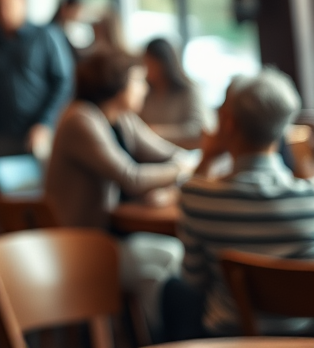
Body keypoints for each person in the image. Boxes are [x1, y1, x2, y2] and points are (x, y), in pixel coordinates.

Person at [162, 69, 314, 340]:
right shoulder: (309, 199)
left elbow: (194, 280)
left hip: (229, 337)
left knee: (173, 289)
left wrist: (207, 157)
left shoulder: (198, 196)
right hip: (301, 337)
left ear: (228, 123)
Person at [46, 48, 192, 328]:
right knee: (167, 255)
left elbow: (168, 154)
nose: (145, 88)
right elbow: (131, 177)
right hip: (80, 247)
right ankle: (154, 337)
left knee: (171, 253)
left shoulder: (121, 117)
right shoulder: (80, 119)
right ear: (116, 84)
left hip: (107, 235)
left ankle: (146, 332)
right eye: (138, 80)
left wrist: (181, 166)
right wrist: (181, 170)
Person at [0, 0, 74, 159]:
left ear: (23, 2)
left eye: (8, 5)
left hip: (42, 133)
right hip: (3, 136)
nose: (3, 12)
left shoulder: (46, 37)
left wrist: (45, 123)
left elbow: (64, 84)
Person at [141, 38, 208, 147]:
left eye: (150, 63)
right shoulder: (146, 93)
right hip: (155, 154)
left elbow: (198, 129)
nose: (146, 68)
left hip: (186, 153)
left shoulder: (188, 90)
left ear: (163, 63)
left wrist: (156, 132)